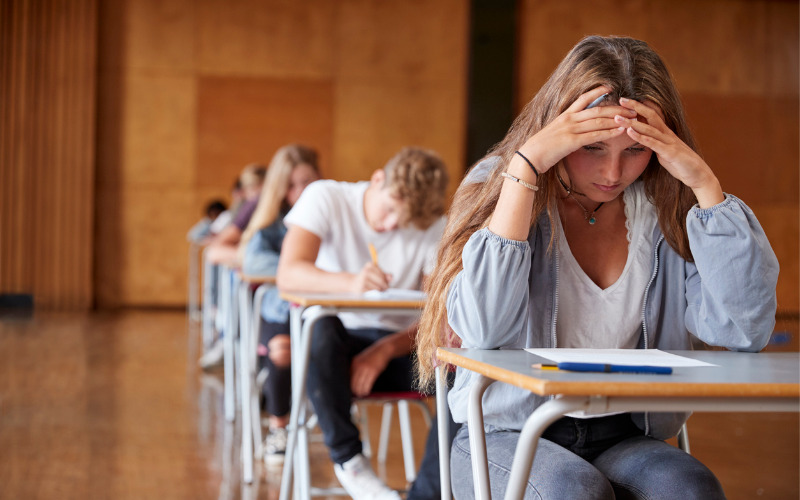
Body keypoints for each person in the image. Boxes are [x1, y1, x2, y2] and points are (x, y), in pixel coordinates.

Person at [415, 35, 779, 500]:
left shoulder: (667, 205)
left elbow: (743, 330)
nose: (612, 173)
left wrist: (705, 185)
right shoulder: (501, 184)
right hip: (506, 432)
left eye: (634, 151)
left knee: (691, 488)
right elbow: (484, 328)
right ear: (558, 131)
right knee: (573, 490)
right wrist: (526, 168)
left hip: (624, 432)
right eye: (592, 147)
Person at [277, 147, 449, 500]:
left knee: (461, 369)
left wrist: (383, 350)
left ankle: (427, 494)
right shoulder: (326, 197)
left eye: (404, 223)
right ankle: (350, 461)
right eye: (388, 211)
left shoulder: (434, 223)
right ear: (377, 179)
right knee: (320, 328)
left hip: (399, 346)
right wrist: (349, 282)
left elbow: (438, 317)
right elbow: (288, 275)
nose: (390, 227)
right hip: (333, 354)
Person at [239, 144, 321, 465]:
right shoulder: (272, 225)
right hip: (281, 310)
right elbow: (253, 262)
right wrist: (303, 269)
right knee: (283, 348)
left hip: (321, 307)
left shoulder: (327, 214)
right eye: (293, 184)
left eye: (308, 182)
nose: (301, 191)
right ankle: (279, 426)